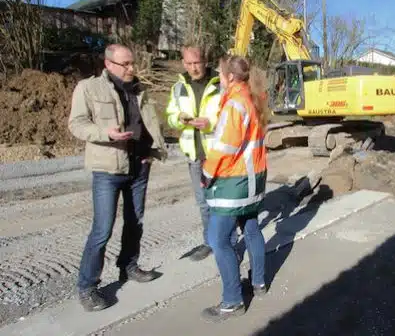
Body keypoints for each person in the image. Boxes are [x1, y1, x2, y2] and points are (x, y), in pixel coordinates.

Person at [68, 44, 167, 312]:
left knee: (135, 222)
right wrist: (105, 133)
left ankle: (128, 266)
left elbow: (150, 122)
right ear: (109, 64)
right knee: (102, 230)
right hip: (108, 169)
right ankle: (87, 287)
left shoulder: (140, 88)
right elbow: (76, 124)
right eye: (126, 64)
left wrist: (154, 150)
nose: (132, 69)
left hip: (139, 166)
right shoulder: (88, 89)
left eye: (132, 63)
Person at [200, 55, 269, 322]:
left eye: (219, 73)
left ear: (230, 77)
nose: (218, 77)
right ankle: (259, 283)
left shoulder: (234, 105)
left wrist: (207, 174)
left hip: (234, 183)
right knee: (251, 229)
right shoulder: (252, 99)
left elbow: (223, 149)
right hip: (252, 179)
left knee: (218, 240)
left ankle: (232, 301)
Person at [165, 46, 237, 261]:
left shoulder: (220, 83)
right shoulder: (179, 87)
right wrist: (179, 119)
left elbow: (231, 114)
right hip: (194, 154)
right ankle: (210, 242)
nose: (193, 68)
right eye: (188, 63)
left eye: (196, 63)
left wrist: (210, 123)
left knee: (224, 202)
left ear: (205, 61)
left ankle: (230, 243)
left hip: (218, 153)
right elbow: (169, 115)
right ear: (182, 62)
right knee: (204, 203)